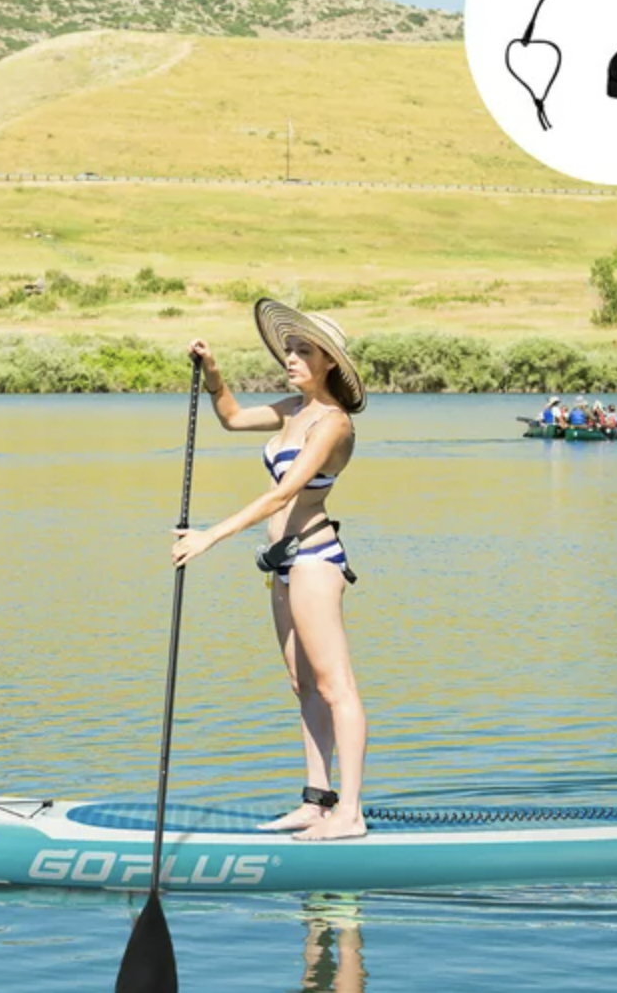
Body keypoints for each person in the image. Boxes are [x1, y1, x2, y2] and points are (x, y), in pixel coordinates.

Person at [172, 299, 368, 841]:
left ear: (329, 361)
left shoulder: (332, 423)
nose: (291, 358)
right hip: (281, 565)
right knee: (302, 683)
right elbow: (233, 416)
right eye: (289, 349)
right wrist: (212, 372)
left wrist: (211, 535)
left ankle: (349, 814)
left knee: (336, 687)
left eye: (303, 351)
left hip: (313, 558)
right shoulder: (293, 409)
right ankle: (316, 800)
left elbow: (285, 492)